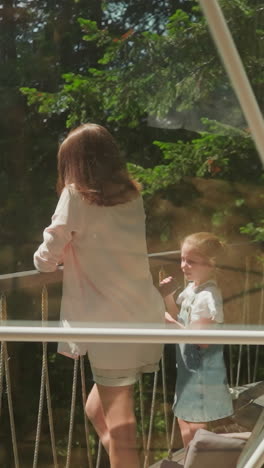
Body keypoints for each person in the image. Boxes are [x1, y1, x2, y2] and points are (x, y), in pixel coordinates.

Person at [33, 123, 165, 468]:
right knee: (98, 411)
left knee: (121, 428)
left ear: (75, 163)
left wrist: (45, 259)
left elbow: (49, 253)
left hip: (112, 325)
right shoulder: (132, 195)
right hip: (140, 312)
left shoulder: (75, 196)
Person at [159, 232, 233, 448]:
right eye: (182, 259)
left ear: (211, 264)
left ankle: (200, 460)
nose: (184, 266)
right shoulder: (192, 290)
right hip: (188, 369)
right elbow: (181, 318)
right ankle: (192, 459)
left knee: (196, 424)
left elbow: (203, 342)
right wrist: (168, 298)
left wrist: (172, 325)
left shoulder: (207, 297)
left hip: (201, 373)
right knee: (184, 416)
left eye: (191, 261)